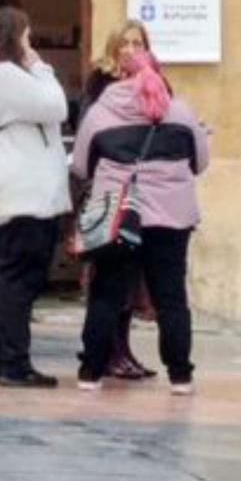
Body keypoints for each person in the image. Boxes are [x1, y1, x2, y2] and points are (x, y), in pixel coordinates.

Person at [72, 50, 209, 394]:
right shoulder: (180, 110)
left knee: (106, 291)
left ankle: (90, 371)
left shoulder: (103, 111)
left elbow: (81, 166)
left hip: (116, 212)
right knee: (171, 296)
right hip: (171, 216)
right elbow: (201, 161)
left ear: (122, 75)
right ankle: (180, 376)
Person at [0, 8, 70, 387]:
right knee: (18, 278)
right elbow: (57, 106)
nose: (30, 43)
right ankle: (14, 364)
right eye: (26, 36)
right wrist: (42, 68)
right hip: (19, 192)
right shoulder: (7, 74)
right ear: (14, 36)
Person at [77, 20, 159, 380]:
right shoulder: (100, 83)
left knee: (132, 279)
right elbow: (89, 137)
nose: (130, 49)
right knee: (107, 276)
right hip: (107, 188)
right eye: (124, 43)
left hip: (145, 190)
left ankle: (122, 348)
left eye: (137, 43)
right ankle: (102, 351)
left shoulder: (155, 81)